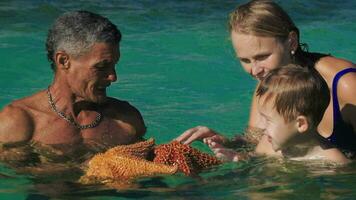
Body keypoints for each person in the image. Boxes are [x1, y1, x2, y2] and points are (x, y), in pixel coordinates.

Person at [175, 0, 355, 160]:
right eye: (245, 60)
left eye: (262, 56)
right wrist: (225, 141)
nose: (254, 70)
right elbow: (255, 140)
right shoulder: (272, 82)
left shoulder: (345, 84)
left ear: (292, 42)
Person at [0, 11, 146, 166]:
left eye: (114, 65)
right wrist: (87, 171)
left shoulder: (126, 119)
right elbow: (10, 181)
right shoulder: (20, 122)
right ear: (63, 61)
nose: (113, 77)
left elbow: (150, 169)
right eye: (102, 66)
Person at [255, 64, 348, 163]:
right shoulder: (267, 144)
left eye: (268, 120)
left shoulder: (333, 162)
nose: (261, 126)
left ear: (301, 124)